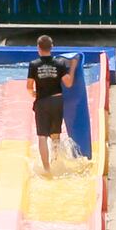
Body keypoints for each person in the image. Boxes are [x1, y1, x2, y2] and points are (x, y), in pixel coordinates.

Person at [26, 35, 75, 175]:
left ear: (38, 48)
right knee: (55, 134)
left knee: (42, 136)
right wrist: (72, 67)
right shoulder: (59, 63)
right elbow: (69, 83)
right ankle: (56, 162)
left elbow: (29, 86)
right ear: (51, 47)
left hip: (42, 102)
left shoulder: (34, 64)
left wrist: (34, 93)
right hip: (57, 101)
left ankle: (47, 168)